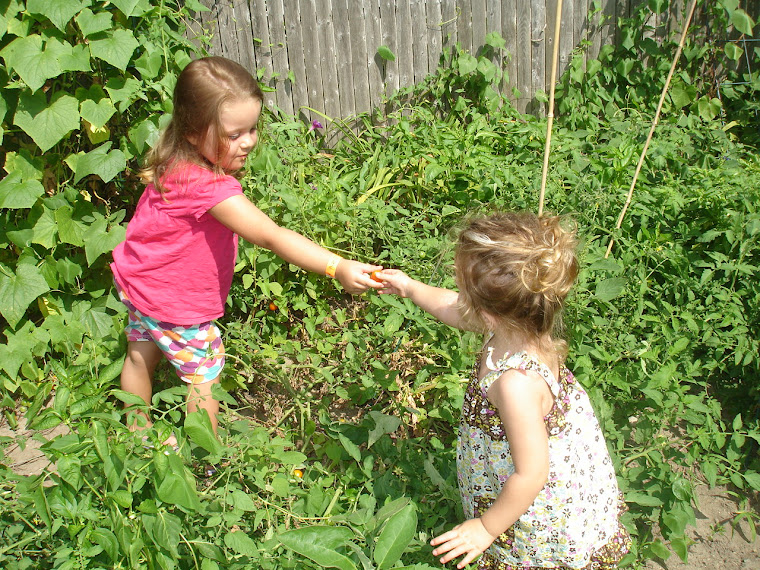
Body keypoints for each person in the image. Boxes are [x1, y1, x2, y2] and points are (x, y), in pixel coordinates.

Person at [111, 56, 382, 450]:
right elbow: (271, 236)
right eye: (234, 133)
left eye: (252, 128)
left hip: (139, 283)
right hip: (174, 302)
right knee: (204, 379)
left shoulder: (175, 161)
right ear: (192, 131)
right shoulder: (211, 189)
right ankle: (205, 459)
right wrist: (336, 265)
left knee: (139, 357)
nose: (249, 141)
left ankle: (136, 436)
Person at [376, 212, 630, 569]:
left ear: (489, 313)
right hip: (529, 467)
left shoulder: (515, 384)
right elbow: (457, 310)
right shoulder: (522, 324)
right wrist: (410, 287)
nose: (454, 283)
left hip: (537, 511)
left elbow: (532, 473)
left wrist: (486, 527)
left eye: (461, 285)